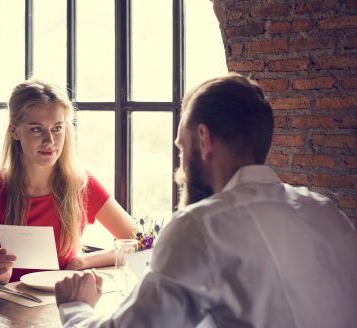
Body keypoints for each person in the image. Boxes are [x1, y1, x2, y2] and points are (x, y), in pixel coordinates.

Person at [54, 73, 357, 327]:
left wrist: (75, 307)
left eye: (181, 146)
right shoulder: (327, 212)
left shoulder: (202, 227)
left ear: (203, 139)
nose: (181, 164)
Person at [0, 79, 136, 288]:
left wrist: (82, 260)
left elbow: (138, 243)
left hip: (54, 304)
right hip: (0, 304)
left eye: (57, 129)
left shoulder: (82, 185)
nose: (49, 141)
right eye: (37, 129)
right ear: (15, 131)